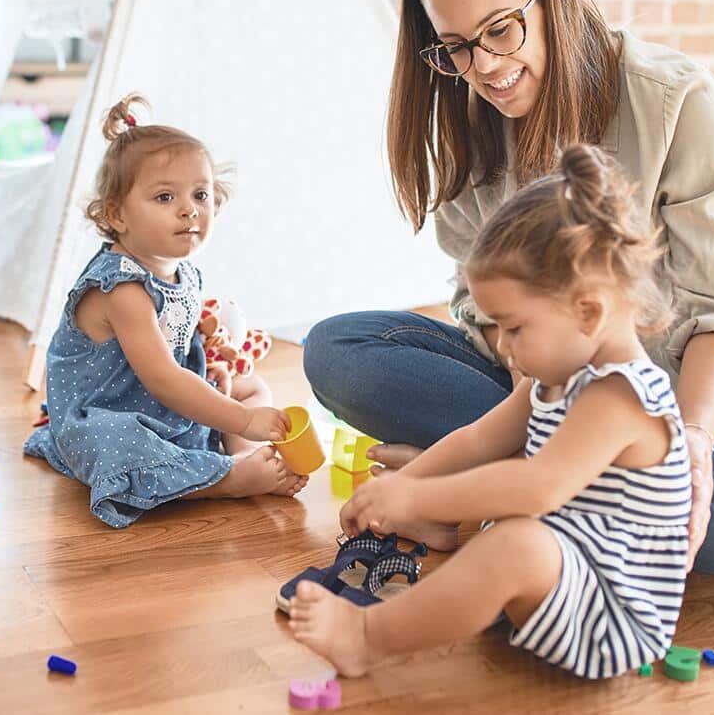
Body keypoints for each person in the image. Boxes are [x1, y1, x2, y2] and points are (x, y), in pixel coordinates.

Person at [302, 0, 714, 577]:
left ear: (554, 0)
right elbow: (490, 315)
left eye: (502, 30)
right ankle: (539, 486)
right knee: (336, 351)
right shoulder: (467, 125)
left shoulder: (676, 101)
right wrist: (538, 424)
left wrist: (691, 444)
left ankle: (503, 488)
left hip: (671, 399)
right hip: (539, 381)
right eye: (456, 47)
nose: (486, 67)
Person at [291, 145, 689, 679]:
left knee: (514, 541)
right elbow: (476, 440)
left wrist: (414, 493)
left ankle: (367, 638)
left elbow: (537, 487)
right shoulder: (555, 379)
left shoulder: (619, 397)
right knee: (511, 537)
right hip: (564, 572)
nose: (502, 346)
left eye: (515, 327)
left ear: (588, 312)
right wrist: (404, 489)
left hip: (610, 617)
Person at [23, 94, 306, 527]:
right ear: (117, 214)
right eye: (164, 197)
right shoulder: (122, 289)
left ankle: (245, 456)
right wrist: (245, 419)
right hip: (111, 413)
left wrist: (210, 345)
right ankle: (223, 480)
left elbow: (180, 335)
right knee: (118, 446)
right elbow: (164, 377)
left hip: (163, 406)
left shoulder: (184, 273)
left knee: (248, 385)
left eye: (201, 194)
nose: (189, 209)